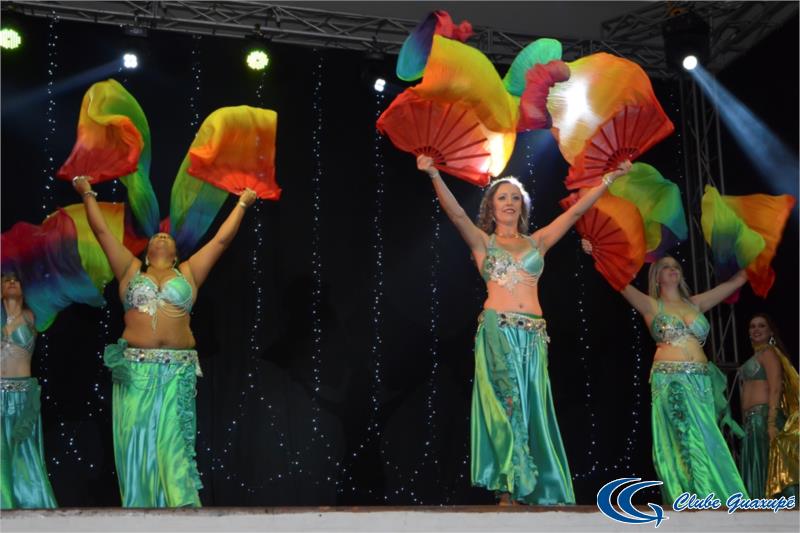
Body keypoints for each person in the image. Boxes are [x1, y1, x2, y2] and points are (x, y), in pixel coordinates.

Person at [418, 155, 632, 505]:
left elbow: (575, 213)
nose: (509, 203)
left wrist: (608, 180)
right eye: (502, 197)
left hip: (533, 337)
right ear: (491, 207)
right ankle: (508, 487)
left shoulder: (538, 242)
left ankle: (530, 486)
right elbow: (456, 214)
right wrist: (434, 175)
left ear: (522, 206)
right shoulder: (483, 243)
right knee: (508, 404)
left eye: (515, 198)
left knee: (531, 407)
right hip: (498, 331)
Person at [72, 175, 256, 507]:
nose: (161, 236)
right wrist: (87, 193)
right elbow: (102, 233)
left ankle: (183, 514)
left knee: (174, 447)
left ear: (174, 253)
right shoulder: (130, 270)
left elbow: (220, 242)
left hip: (176, 373)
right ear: (146, 252)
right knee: (137, 445)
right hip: (136, 372)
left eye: (166, 237)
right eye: (156, 236)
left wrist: (243, 203)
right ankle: (141, 516)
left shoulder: (188, 272)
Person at [580, 244, 749, 503]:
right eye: (666, 267)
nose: (673, 270)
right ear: (657, 277)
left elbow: (735, 282)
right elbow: (618, 280)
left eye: (676, 267)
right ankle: (694, 496)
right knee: (685, 436)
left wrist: (758, 259)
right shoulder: (651, 306)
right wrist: (596, 253)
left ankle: (714, 495)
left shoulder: (695, 303)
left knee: (708, 435)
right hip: (671, 380)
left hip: (701, 381)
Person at [0, 272, 58, 509]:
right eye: (6, 279)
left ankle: (31, 507)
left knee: (24, 454)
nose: (11, 282)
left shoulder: (33, 316)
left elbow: (55, 290)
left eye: (16, 279)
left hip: (22, 397)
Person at [739, 313, 798, 498]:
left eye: (761, 325)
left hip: (764, 418)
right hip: (752, 421)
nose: (756, 329)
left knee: (767, 467)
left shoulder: (769, 353)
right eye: (752, 326)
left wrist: (771, 422)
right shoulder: (757, 355)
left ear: (771, 331)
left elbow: (775, 387)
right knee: (758, 466)